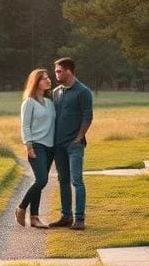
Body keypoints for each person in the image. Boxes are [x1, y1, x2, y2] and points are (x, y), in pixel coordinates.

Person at [49, 57, 93, 230]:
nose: (56, 74)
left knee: (77, 181)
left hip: (74, 145)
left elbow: (88, 116)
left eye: (59, 71)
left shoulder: (83, 91)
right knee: (63, 180)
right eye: (56, 71)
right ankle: (66, 217)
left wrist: (79, 137)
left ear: (69, 71)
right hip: (58, 145)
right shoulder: (56, 92)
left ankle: (79, 219)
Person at [16, 68, 55, 228]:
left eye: (48, 77)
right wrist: (29, 146)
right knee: (41, 180)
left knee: (40, 181)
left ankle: (34, 217)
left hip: (50, 146)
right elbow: (25, 126)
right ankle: (21, 208)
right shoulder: (29, 102)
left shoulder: (50, 102)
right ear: (36, 82)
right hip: (36, 145)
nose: (48, 80)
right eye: (44, 78)